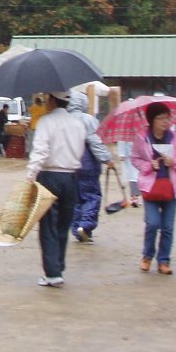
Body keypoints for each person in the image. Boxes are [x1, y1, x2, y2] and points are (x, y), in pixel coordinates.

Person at [26, 90, 85, 287]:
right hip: (71, 177)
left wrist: (30, 176)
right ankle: (58, 266)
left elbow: (40, 151)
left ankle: (52, 272)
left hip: (50, 175)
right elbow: (80, 151)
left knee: (48, 225)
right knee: (63, 224)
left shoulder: (46, 122)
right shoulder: (78, 124)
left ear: (51, 100)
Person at [132, 102, 176, 274]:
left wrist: (175, 162)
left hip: (171, 186)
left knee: (168, 226)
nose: (165, 121)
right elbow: (135, 158)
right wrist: (149, 165)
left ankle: (164, 260)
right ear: (152, 120)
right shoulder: (142, 138)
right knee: (152, 223)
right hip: (150, 187)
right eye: (161, 118)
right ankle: (147, 256)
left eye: (167, 118)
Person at [68, 90, 113, 243]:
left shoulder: (62, 119)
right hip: (87, 164)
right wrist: (107, 159)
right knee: (92, 196)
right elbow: (96, 142)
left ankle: (76, 229)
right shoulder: (88, 120)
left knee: (75, 199)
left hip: (68, 166)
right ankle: (85, 225)